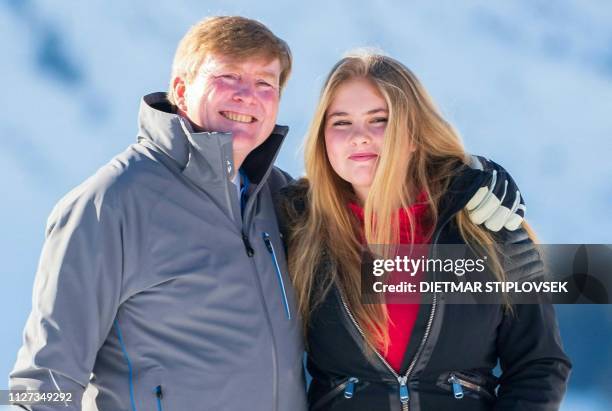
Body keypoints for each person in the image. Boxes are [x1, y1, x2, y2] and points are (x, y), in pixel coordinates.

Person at [9, 16, 307, 411]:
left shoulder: (280, 198)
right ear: (181, 91)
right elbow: (43, 383)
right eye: (229, 76)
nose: (247, 95)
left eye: (264, 83)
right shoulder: (110, 204)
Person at [278, 52, 571, 410]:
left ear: (413, 134)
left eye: (379, 120)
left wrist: (475, 174)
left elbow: (539, 364)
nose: (359, 137)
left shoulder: (486, 224)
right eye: (341, 123)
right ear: (322, 138)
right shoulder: (295, 223)